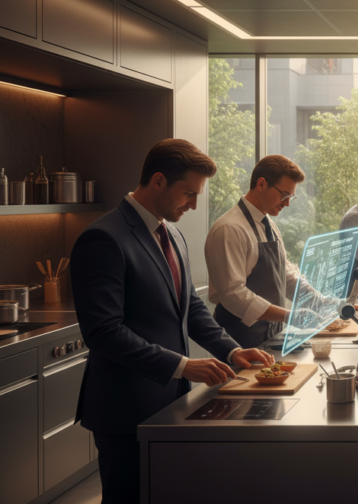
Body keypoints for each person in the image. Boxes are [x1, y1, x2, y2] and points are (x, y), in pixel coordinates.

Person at [70, 139, 272, 504]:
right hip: (124, 407)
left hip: (171, 401)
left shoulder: (173, 234)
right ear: (158, 181)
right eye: (188, 194)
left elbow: (191, 307)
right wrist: (182, 366)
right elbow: (103, 333)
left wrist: (233, 351)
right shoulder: (103, 238)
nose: (194, 205)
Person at [206, 155, 306, 348]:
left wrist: (318, 302)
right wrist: (288, 316)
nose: (287, 203)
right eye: (284, 195)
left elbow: (284, 276)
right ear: (261, 184)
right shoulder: (229, 229)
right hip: (240, 341)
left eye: (290, 197)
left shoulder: (270, 225)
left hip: (273, 335)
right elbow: (233, 293)